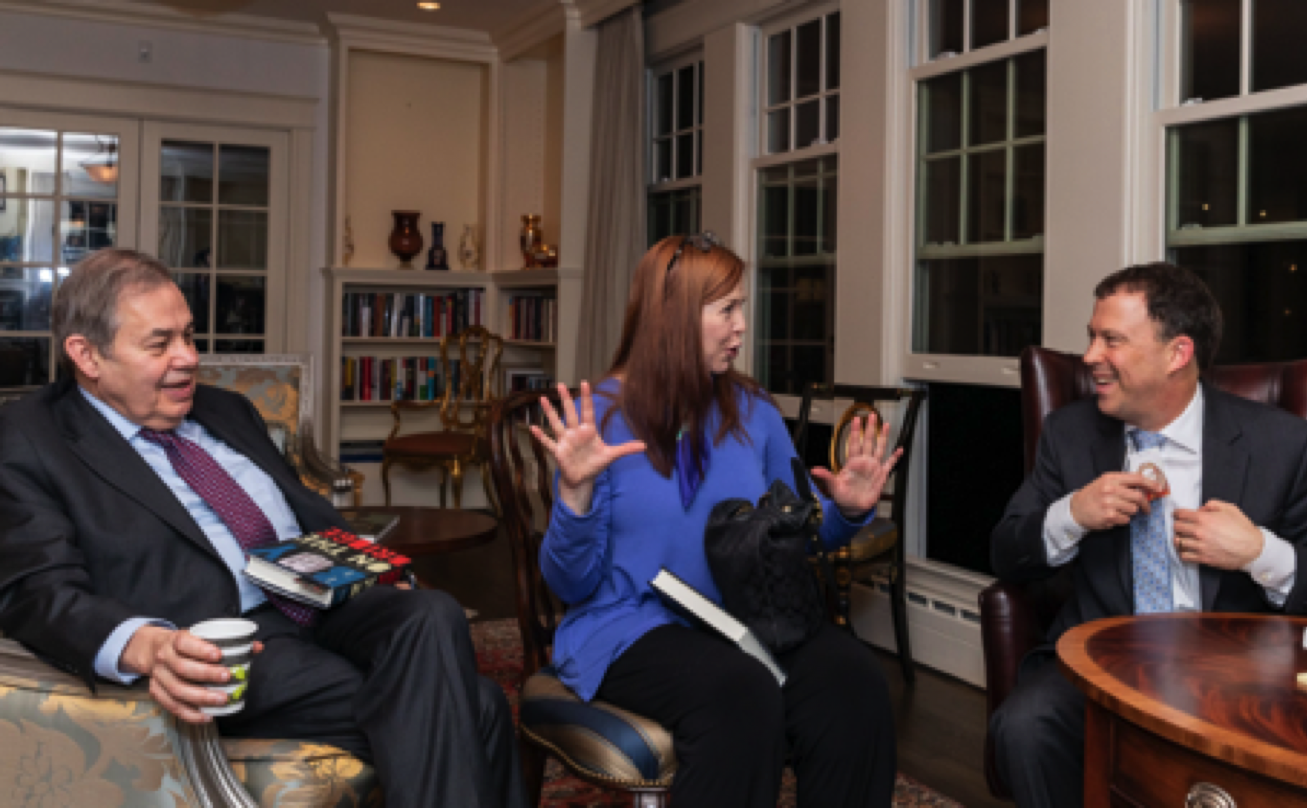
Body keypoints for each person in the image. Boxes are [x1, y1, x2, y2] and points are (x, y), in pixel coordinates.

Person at [0, 248, 523, 808]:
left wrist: (363, 564)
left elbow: (304, 510)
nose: (188, 359)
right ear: (87, 356)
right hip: (225, 639)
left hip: (318, 595)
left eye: (189, 336)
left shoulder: (225, 409)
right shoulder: (33, 439)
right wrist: (146, 646)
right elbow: (37, 591)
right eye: (159, 344)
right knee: (479, 706)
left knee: (432, 612)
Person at [532, 234, 901, 808]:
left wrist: (847, 511)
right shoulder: (599, 417)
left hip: (744, 620)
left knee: (852, 681)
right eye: (726, 309)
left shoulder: (753, 411)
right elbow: (569, 583)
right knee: (740, 690)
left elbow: (798, 533)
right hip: (629, 628)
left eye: (742, 307)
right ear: (673, 316)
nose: (741, 326)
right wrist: (576, 494)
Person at [988, 262, 1307, 808]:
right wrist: (1072, 513)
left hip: (1239, 675)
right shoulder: (1070, 434)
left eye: (1111, 340)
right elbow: (1006, 552)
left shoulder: (1286, 446)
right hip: (1100, 665)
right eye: (1091, 338)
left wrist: (1260, 553)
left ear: (1177, 354)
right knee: (1023, 727)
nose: (1091, 356)